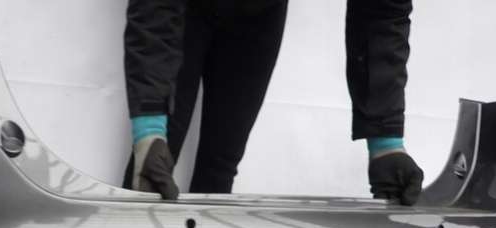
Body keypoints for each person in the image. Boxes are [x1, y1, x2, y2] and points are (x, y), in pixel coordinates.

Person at [123, 0, 424, 205]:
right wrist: (149, 129)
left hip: (259, 13)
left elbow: (382, 12)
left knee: (219, 171)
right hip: (181, 8)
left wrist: (386, 144)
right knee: (154, 166)